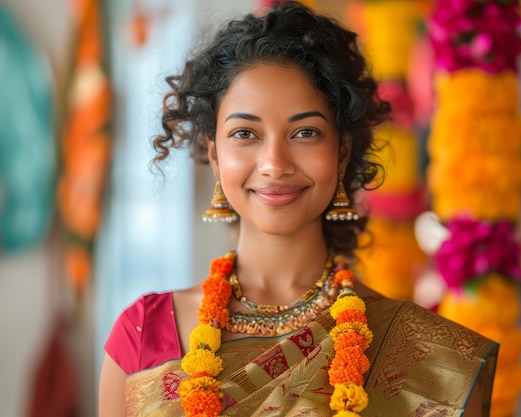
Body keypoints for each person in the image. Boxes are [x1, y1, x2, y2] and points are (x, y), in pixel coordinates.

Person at [98, 2, 498, 416]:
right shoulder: (143, 336)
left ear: (342, 152)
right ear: (215, 155)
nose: (275, 163)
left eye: (305, 132)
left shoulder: (430, 362)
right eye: (245, 133)